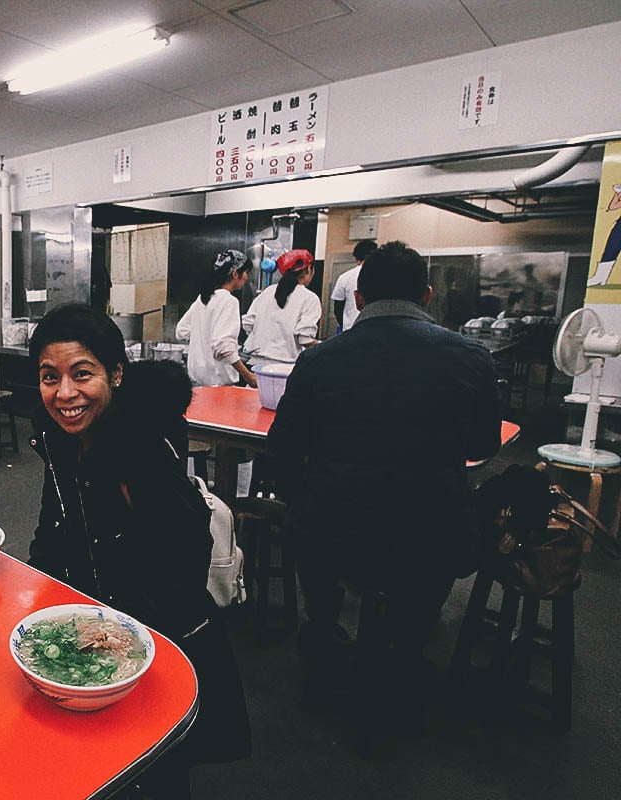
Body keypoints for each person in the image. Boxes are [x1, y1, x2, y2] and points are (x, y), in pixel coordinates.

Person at [265, 241, 501, 725]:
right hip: (430, 536)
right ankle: (407, 648)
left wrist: (303, 502)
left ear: (358, 299)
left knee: (315, 536)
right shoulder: (472, 357)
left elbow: (282, 452)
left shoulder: (319, 361)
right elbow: (482, 447)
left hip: (332, 531)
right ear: (428, 295)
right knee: (429, 552)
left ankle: (324, 629)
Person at [28, 303, 252, 796]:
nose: (65, 393)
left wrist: (110, 642)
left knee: (155, 773)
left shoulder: (143, 450)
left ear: (116, 373)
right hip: (88, 641)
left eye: (81, 374)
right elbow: (51, 532)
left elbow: (181, 570)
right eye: (50, 376)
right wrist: (37, 601)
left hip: (155, 650)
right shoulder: (62, 440)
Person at [174, 250, 258, 387]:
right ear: (235, 273)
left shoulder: (203, 299)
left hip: (197, 382)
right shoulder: (229, 301)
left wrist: (204, 335)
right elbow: (223, 346)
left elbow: (181, 331)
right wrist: (248, 376)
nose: (246, 278)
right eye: (246, 273)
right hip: (219, 386)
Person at [241, 249, 321, 367]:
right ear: (309, 269)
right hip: (283, 367)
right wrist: (324, 345)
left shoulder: (267, 292)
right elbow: (305, 339)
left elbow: (248, 324)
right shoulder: (310, 298)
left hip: (255, 364)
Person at [330, 239, 377, 332]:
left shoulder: (345, 277)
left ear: (356, 257)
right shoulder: (382, 276)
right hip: (374, 331)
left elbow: (337, 309)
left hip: (350, 329)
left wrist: (345, 325)